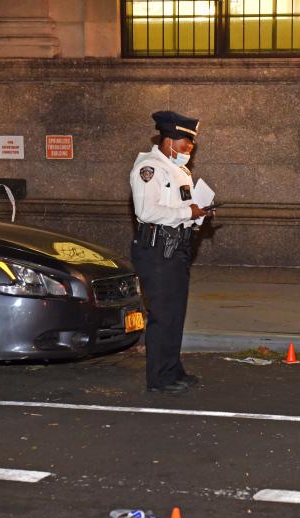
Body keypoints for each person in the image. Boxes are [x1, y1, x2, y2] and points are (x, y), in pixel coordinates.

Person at [129, 111, 209, 395]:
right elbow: (146, 211)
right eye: (186, 143)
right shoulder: (149, 168)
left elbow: (180, 208)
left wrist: (195, 215)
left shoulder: (179, 170)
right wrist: (188, 211)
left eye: (191, 143)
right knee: (163, 315)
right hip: (157, 249)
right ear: (169, 140)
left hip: (177, 248)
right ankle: (159, 377)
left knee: (175, 314)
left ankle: (173, 370)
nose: (190, 149)